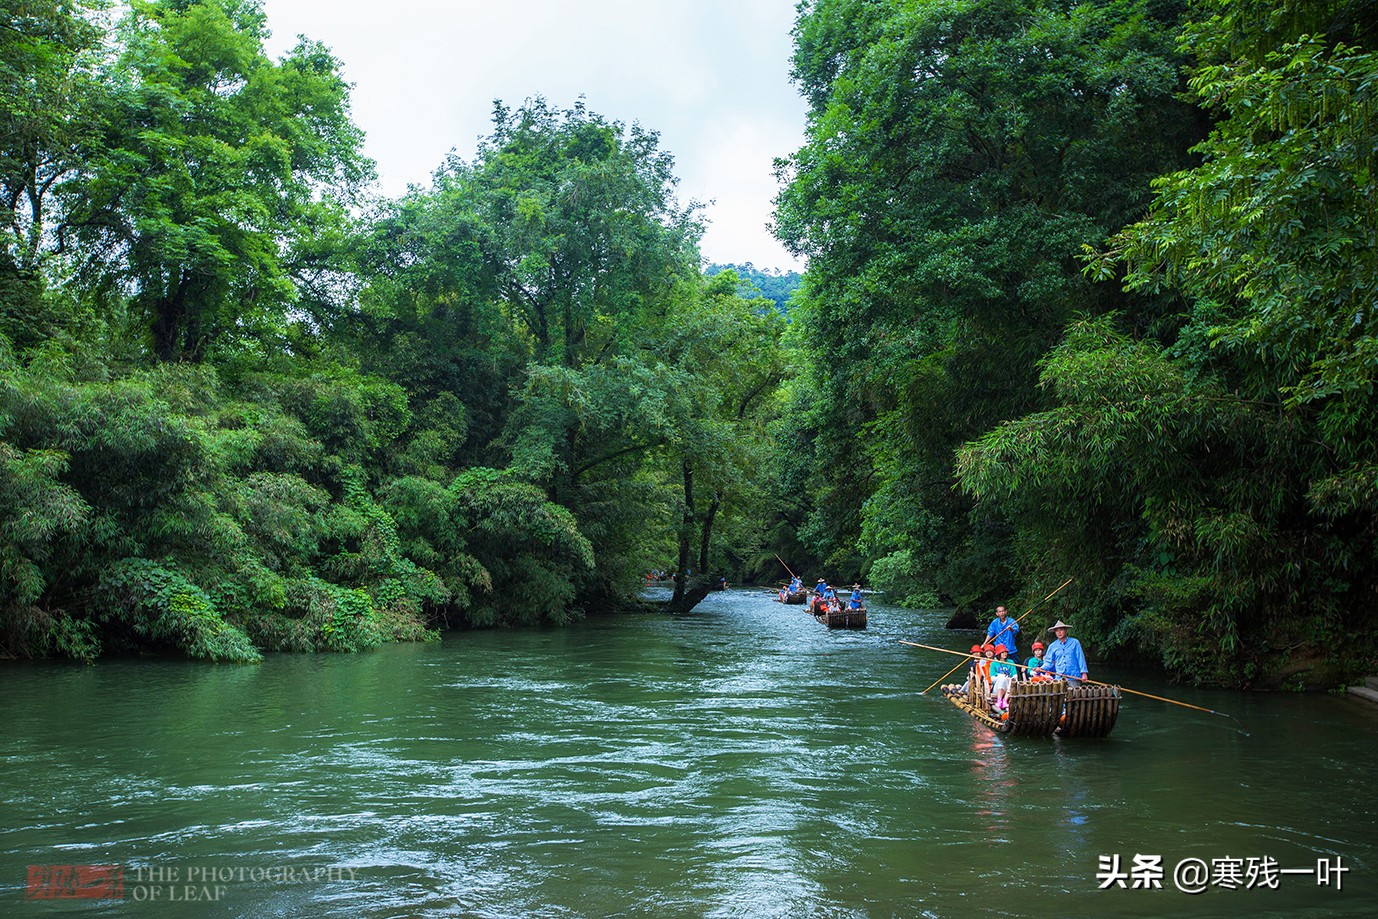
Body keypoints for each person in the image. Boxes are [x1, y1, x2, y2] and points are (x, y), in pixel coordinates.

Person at [1036, 620, 1089, 686]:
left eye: (1061, 630)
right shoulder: (1052, 646)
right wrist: (1041, 668)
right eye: (1057, 631)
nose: (1059, 632)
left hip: (1073, 676)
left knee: (1074, 694)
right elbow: (1049, 662)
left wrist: (1084, 673)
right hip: (1059, 677)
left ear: (1065, 630)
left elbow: (1080, 658)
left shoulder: (1075, 642)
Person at [988, 645, 1018, 710]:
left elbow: (1015, 676)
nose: (1005, 654)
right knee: (1002, 678)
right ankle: (999, 700)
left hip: (1008, 686)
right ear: (999, 654)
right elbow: (992, 678)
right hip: (998, 687)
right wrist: (1002, 676)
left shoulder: (1011, 662)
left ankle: (1005, 700)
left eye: (1006, 652)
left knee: (1010, 680)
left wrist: (1009, 678)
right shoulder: (994, 663)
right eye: (1003, 652)